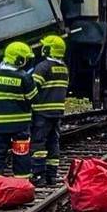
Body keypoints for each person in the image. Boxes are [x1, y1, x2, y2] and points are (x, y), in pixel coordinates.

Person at [0, 41, 37, 180]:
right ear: (19, 59)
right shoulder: (24, 77)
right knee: (21, 154)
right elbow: (33, 98)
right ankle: (22, 182)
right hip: (20, 126)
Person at [28, 34, 69, 187]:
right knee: (53, 142)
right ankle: (52, 175)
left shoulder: (43, 67)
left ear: (48, 49)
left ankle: (39, 175)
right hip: (57, 112)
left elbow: (33, 88)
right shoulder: (63, 68)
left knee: (38, 143)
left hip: (41, 112)